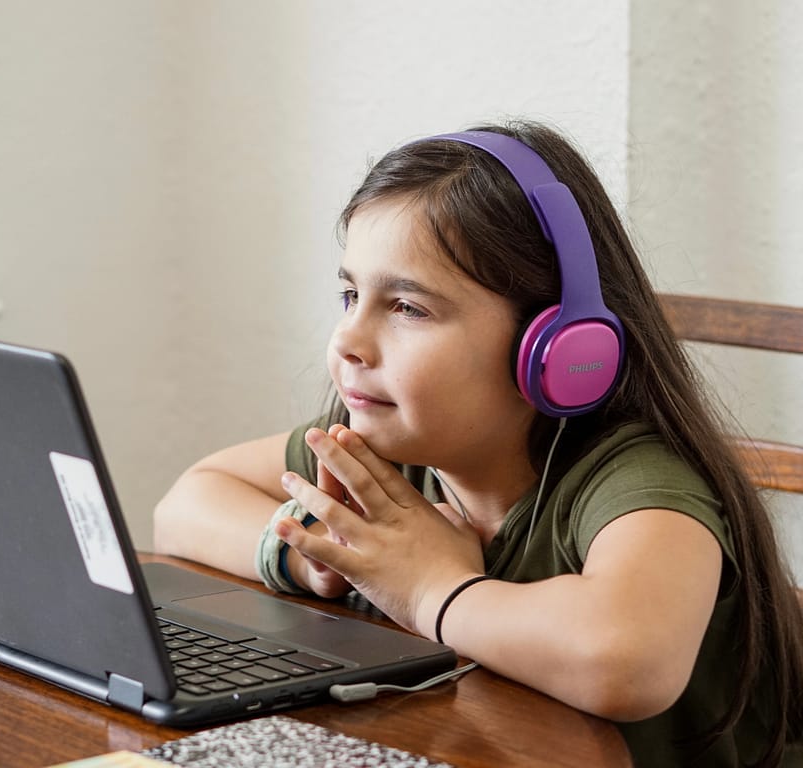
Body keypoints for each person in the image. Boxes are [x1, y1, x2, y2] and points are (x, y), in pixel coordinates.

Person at [153, 120, 803, 767]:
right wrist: (312, 559)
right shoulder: (386, 447)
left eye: (408, 308)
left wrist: (430, 588)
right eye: (350, 294)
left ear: (555, 348)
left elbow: (626, 661)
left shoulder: (630, 480)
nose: (348, 340)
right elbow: (186, 504)